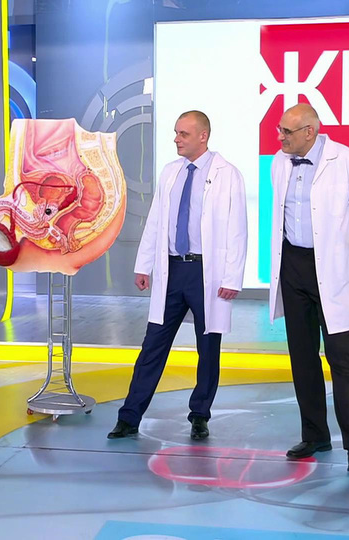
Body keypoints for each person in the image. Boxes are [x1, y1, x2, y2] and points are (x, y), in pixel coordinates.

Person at [108, 110, 248, 441]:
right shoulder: (170, 172)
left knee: (208, 347)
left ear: (203, 136)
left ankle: (200, 415)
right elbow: (156, 220)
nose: (176, 139)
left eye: (183, 134)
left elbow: (238, 227)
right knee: (152, 345)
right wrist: (144, 265)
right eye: (175, 133)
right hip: (172, 270)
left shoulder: (227, 174)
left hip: (206, 273)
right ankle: (129, 416)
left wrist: (232, 277)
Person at [268, 103, 349, 472]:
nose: (280, 137)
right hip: (292, 267)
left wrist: (339, 257)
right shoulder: (279, 162)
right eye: (280, 129)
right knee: (302, 357)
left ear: (310, 132)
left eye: (287, 131)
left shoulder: (345, 161)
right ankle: (315, 434)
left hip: (331, 270)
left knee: (342, 359)